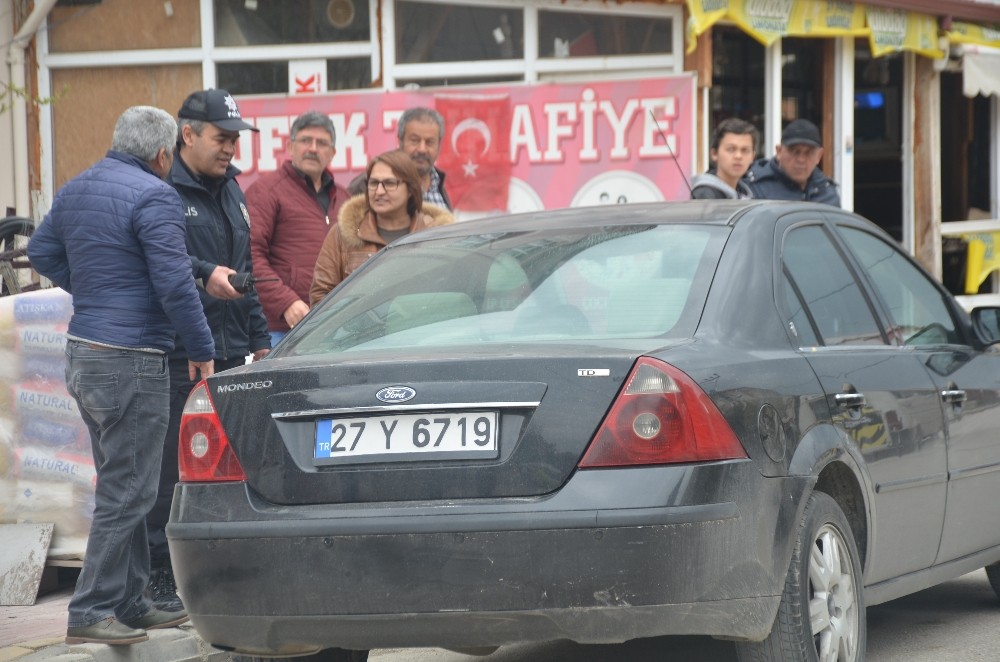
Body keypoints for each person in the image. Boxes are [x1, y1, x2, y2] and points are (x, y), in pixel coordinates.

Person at [27, 106, 215, 645]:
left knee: (123, 482)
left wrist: (95, 291)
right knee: (129, 490)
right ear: (162, 155)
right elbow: (177, 285)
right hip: (131, 356)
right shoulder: (156, 195)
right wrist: (201, 348)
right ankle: (91, 609)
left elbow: (41, 252)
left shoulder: (76, 188)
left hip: (84, 352)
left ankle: (132, 600)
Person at [146, 89, 271, 612]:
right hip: (182, 354)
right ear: (187, 135)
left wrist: (262, 340)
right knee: (169, 471)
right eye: (221, 138)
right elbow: (162, 271)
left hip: (234, 350)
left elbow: (246, 275)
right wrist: (202, 283)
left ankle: (223, 571)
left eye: (235, 138)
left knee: (233, 466)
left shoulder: (234, 191)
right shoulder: (161, 193)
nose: (229, 148)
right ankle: (156, 573)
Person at [246, 111, 349, 345]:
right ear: (290, 146)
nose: (313, 148)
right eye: (305, 140)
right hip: (281, 330)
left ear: (332, 153)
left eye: (322, 143)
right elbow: (250, 254)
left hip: (336, 328)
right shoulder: (266, 191)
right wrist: (285, 302)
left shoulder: (344, 198)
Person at [311, 149, 455, 305]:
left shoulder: (435, 236)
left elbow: (451, 295)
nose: (379, 192)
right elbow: (321, 297)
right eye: (373, 183)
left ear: (410, 189)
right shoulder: (342, 235)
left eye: (389, 183)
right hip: (360, 329)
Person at [348, 107, 453, 210]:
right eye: (415, 140)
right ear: (400, 141)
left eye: (429, 142)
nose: (422, 149)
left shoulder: (438, 182)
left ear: (439, 145)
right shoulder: (368, 184)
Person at [743, 118, 840, 206]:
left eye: (808, 153)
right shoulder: (754, 188)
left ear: (819, 156)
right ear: (779, 151)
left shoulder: (827, 191)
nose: (801, 160)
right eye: (794, 152)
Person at [691, 118, 756, 199]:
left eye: (745, 150)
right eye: (731, 149)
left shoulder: (747, 192)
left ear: (753, 157)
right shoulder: (705, 195)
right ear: (714, 154)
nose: (738, 156)